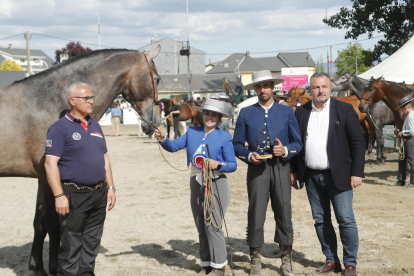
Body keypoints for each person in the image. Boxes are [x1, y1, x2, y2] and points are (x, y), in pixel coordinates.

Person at [291, 72, 365, 276]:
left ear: (330, 88)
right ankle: (331, 260)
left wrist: (357, 172)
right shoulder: (302, 112)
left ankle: (350, 263)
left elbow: (357, 143)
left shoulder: (344, 109)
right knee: (321, 220)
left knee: (346, 219)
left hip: (339, 174)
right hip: (312, 176)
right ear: (310, 90)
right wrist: (294, 170)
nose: (320, 91)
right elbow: (296, 143)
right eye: (315, 87)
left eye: (324, 86)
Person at [154, 99, 237, 276]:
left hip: (217, 183)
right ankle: (206, 264)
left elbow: (232, 165)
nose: (210, 117)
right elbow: (174, 146)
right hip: (196, 182)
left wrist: (218, 164)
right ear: (201, 113)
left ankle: (219, 267)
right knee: (201, 226)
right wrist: (163, 139)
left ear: (219, 117)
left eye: (214, 114)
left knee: (213, 225)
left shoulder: (224, 137)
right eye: (207, 113)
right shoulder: (192, 132)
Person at [233, 70, 302, 276]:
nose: (262, 90)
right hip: (257, 169)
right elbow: (236, 144)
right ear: (254, 89)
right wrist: (247, 155)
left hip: (281, 168)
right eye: (258, 86)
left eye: (266, 85)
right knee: (256, 213)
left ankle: (286, 260)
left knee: (284, 212)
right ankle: (255, 260)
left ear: (273, 86)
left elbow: (298, 142)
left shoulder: (287, 112)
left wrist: (286, 150)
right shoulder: (246, 113)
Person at [44, 82, 116, 276]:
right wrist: (59, 195)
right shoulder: (59, 129)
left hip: (99, 193)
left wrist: (111, 187)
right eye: (87, 98)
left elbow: (105, 159)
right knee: (71, 246)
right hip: (73, 194)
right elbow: (49, 164)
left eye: (92, 97)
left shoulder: (96, 125)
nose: (91, 101)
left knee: (92, 244)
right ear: (72, 101)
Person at [396, 96, 414, 188]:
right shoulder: (410, 115)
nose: (401, 111)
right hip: (407, 139)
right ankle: (401, 180)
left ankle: (413, 182)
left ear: (405, 108)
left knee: (411, 160)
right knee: (402, 159)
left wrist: (402, 132)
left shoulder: (411, 116)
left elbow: (412, 131)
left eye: (401, 109)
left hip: (410, 140)